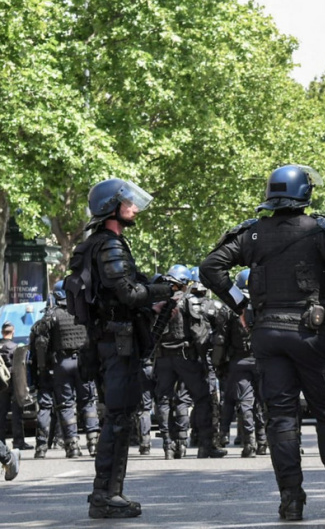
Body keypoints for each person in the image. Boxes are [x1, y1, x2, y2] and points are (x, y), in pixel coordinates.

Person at [201, 164, 325, 520]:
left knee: (281, 419)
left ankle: (291, 501)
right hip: (310, 333)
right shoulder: (320, 229)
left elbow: (210, 267)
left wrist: (241, 305)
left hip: (267, 333)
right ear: (305, 193)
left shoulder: (252, 233)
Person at [66, 178, 176, 518]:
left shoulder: (99, 244)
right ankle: (106, 495)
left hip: (106, 342)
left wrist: (152, 290)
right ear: (111, 208)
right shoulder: (109, 245)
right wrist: (164, 291)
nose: (135, 208)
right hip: (117, 344)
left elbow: (124, 288)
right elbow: (128, 294)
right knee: (118, 419)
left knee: (119, 417)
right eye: (128, 202)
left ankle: (108, 493)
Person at [152, 264, 225, 460]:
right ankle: (205, 446)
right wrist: (204, 357)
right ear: (185, 283)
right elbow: (199, 334)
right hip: (186, 356)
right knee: (202, 399)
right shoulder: (188, 302)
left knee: (164, 400)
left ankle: (169, 445)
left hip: (162, 357)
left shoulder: (157, 302)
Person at [30, 280, 101, 458]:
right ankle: (94, 443)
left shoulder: (52, 315)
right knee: (88, 402)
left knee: (66, 405)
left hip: (62, 364)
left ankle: (72, 446)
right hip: (83, 362)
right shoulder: (85, 313)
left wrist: (43, 368)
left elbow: (41, 343)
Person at [212, 269, 262, 457]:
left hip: (239, 362)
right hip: (262, 359)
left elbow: (220, 340)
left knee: (246, 402)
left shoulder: (229, 308)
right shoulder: (263, 304)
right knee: (265, 402)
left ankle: (250, 444)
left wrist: (217, 363)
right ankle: (264, 441)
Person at [0, 323, 29, 450]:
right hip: (13, 383)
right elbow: (20, 368)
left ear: (2, 332)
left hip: (1, 384)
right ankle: (18, 442)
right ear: (13, 332)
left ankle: (1, 443)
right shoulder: (15, 347)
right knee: (17, 412)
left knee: (1, 413)